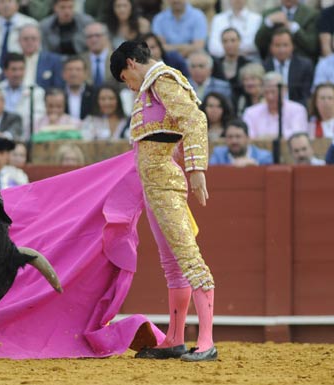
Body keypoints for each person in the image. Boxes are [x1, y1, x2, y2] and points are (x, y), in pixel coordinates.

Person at [110, 39, 217, 361]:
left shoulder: (161, 79)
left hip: (165, 184)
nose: (128, 87)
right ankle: (174, 338)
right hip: (154, 185)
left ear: (130, 63)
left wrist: (197, 168)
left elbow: (194, 120)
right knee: (172, 263)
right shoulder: (151, 88)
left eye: (124, 79)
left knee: (188, 258)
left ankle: (207, 342)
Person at [242, 71, 308, 139]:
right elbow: (248, 137)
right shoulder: (251, 112)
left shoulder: (297, 110)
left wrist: (267, 137)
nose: (270, 97)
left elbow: (298, 135)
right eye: (266, 92)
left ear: (284, 90)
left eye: (273, 92)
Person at [0, 52, 46, 140]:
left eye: (21, 69)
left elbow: (39, 119)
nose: (18, 74)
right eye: (14, 69)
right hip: (0, 139)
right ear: (5, 71)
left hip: (26, 139)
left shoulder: (37, 91)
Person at [0, 0, 38, 74]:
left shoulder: (30, 23)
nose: (6, 5)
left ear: (17, 4)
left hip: (22, 71)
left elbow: (35, 52)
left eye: (9, 1)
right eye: (2, 2)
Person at [262, 27, 313, 107]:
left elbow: (306, 96)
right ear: (271, 47)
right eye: (277, 45)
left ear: (293, 46)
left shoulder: (304, 66)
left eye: (285, 45)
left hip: (296, 111)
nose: (281, 50)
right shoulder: (263, 67)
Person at [17, 23, 65, 90]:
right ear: (19, 41)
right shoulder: (12, 60)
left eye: (33, 39)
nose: (29, 42)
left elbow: (58, 87)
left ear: (39, 40)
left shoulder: (54, 60)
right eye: (25, 39)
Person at [209, 119, 273, 166]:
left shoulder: (263, 156)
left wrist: (254, 163)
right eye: (230, 137)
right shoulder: (218, 155)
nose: (234, 141)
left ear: (248, 138)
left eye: (238, 136)